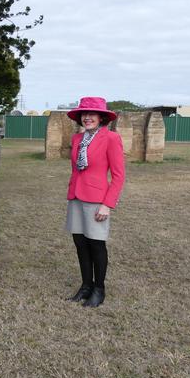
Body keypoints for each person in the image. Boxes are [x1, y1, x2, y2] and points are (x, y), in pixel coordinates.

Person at [65, 97, 125, 308]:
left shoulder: (111, 138)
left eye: (92, 114)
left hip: (97, 200)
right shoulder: (77, 139)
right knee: (80, 243)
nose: (87, 117)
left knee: (96, 244)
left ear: (101, 117)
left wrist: (107, 204)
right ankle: (86, 286)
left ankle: (99, 289)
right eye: (84, 114)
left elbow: (119, 175)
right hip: (76, 197)